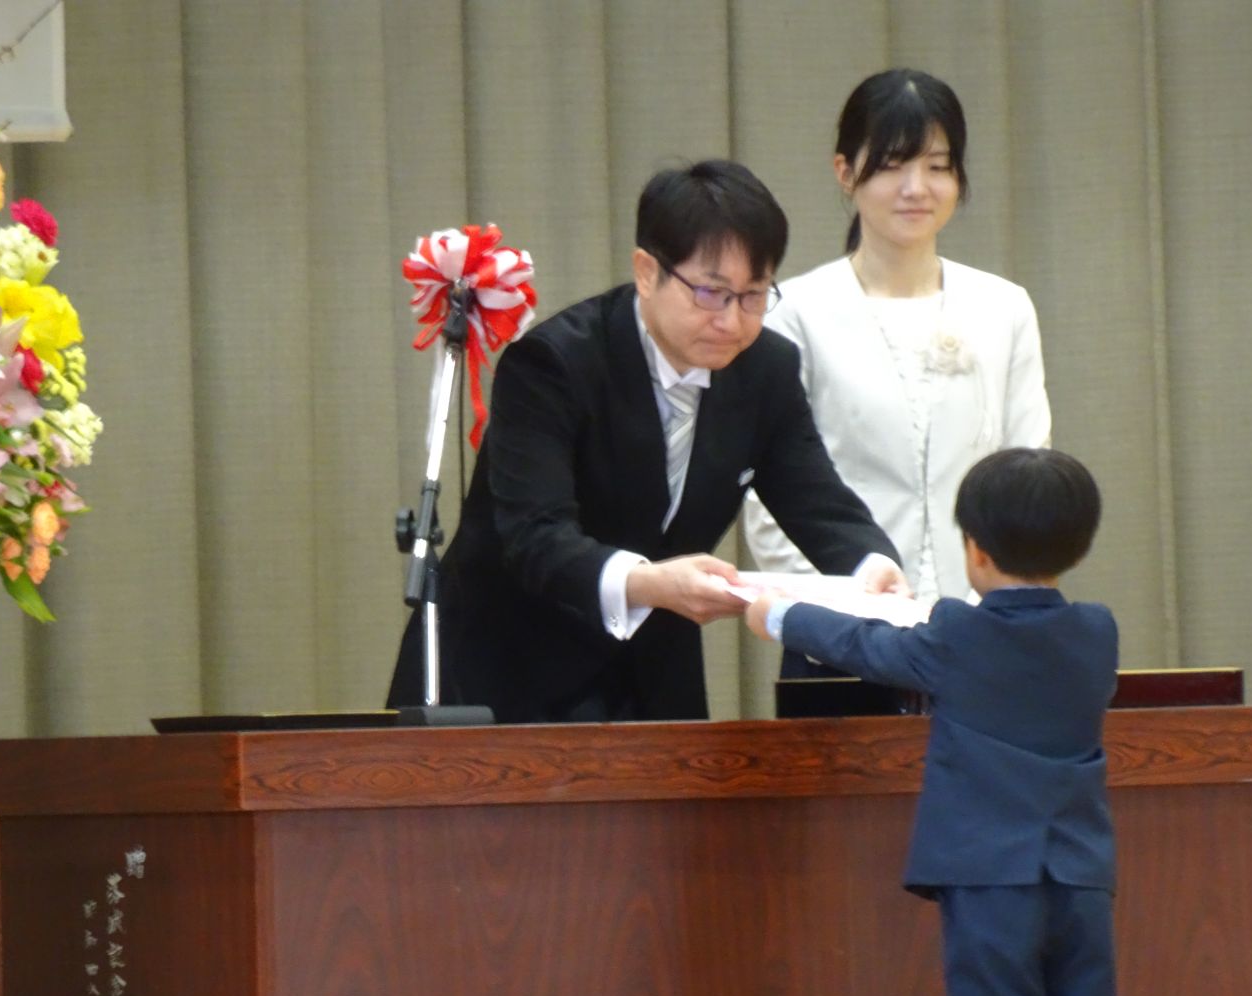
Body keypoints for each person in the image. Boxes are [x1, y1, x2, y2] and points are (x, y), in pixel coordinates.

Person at [387, 160, 905, 724]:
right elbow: (535, 536)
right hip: (510, 668)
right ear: (646, 272)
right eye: (711, 293)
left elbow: (817, 500)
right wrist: (646, 583)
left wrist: (870, 566)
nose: (732, 321)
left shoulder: (765, 370)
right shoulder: (554, 364)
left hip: (652, 674)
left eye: (754, 295)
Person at [746, 447, 1122, 996]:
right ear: (1080, 546)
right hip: (1081, 880)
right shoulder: (1097, 633)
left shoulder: (956, 634)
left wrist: (778, 612)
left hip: (988, 887)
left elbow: (866, 646)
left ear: (974, 549)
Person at [743, 68, 1050, 607]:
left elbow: (1028, 475)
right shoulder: (792, 314)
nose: (916, 188)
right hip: (838, 626)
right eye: (891, 165)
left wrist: (988, 614)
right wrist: (851, 616)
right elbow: (769, 505)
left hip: (979, 626)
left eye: (937, 166)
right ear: (845, 172)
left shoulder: (1004, 308)